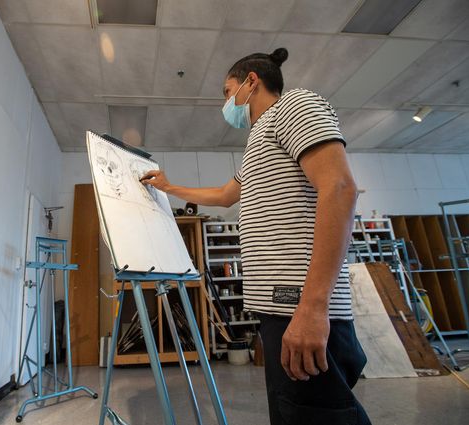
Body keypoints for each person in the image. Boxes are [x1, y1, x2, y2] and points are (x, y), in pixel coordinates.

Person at [141, 48, 371, 425]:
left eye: (227, 90)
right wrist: (169, 187)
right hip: (278, 311)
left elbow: (341, 188)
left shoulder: (293, 106)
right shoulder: (256, 143)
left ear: (252, 81)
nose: (226, 102)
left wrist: (313, 308)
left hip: (299, 306)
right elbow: (224, 195)